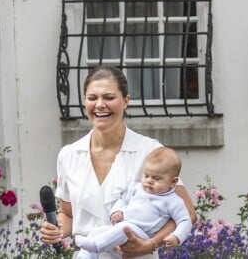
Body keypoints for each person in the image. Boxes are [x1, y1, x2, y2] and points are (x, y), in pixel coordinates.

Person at [40, 65, 197, 259]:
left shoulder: (149, 151)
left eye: (109, 97)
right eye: (92, 98)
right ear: (84, 103)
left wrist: (149, 245)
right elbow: (68, 213)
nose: (99, 105)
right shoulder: (69, 155)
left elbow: (188, 212)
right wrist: (56, 229)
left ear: (125, 101)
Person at [74, 147, 192, 259]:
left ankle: (96, 246)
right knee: (97, 231)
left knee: (123, 228)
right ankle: (85, 256)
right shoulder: (137, 188)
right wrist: (117, 211)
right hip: (122, 227)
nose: (149, 181)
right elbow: (123, 200)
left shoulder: (173, 201)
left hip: (142, 235)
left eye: (156, 178)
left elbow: (185, 221)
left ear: (173, 181)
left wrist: (177, 236)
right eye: (146, 175)